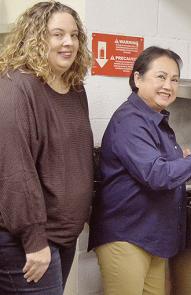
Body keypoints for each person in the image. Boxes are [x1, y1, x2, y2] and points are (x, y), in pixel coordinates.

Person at [88, 46, 191, 295]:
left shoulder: (154, 119)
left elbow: (154, 166)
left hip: (151, 235)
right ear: (137, 78)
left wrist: (180, 159)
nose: (168, 85)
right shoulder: (130, 120)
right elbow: (157, 175)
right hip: (127, 236)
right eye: (161, 77)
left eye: (174, 79)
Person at [0, 1, 93, 294]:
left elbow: (74, 156)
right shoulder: (16, 87)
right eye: (57, 34)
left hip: (64, 235)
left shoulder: (76, 89)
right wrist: (34, 240)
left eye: (75, 35)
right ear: (36, 37)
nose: (69, 42)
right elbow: (14, 170)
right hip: (28, 241)